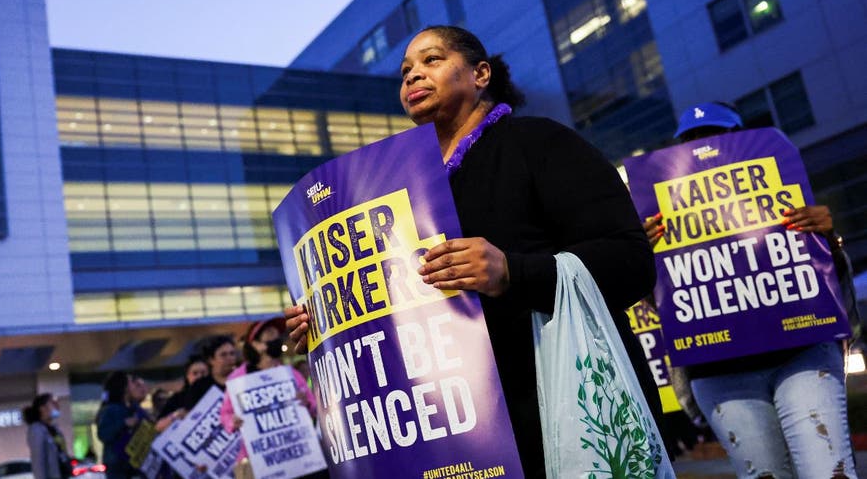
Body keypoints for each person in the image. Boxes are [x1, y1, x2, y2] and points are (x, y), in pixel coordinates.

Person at [285, 25, 659, 477]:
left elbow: (631, 263)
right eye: (405, 70)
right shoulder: (400, 197)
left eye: (432, 60)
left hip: (559, 416)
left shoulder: (539, 142)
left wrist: (512, 272)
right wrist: (330, 320)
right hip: (463, 441)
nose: (412, 76)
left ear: (480, 73)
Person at [642, 102, 859, 478]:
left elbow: (831, 284)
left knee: (828, 472)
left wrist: (827, 240)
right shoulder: (661, 216)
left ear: (741, 137)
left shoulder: (783, 187)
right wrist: (645, 260)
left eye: (715, 135)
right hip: (718, 372)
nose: (702, 145)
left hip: (802, 354)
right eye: (691, 139)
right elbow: (660, 307)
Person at [220, 319, 317, 466]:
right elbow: (225, 414)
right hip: (257, 460)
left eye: (277, 335)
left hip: (297, 457)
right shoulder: (238, 379)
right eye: (270, 334)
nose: (276, 338)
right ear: (256, 345)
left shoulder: (291, 374)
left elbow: (315, 407)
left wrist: (307, 403)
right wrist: (233, 421)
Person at [95, 372, 149, 479]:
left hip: (134, 463)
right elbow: (103, 434)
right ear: (123, 387)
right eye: (131, 383)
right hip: (117, 466)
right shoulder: (110, 409)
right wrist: (124, 423)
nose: (134, 386)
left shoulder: (134, 409)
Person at [181, 335, 239, 409]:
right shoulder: (199, 387)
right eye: (223, 355)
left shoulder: (242, 381)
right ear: (211, 360)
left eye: (232, 353)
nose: (230, 358)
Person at [154, 356, 208, 433]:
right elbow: (158, 427)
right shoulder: (177, 398)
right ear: (188, 376)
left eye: (203, 373)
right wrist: (177, 414)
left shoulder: (219, 390)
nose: (199, 376)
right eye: (195, 373)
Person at [23, 393, 71, 479]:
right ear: (42, 408)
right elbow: (38, 461)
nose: (57, 406)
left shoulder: (54, 429)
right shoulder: (37, 430)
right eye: (52, 403)